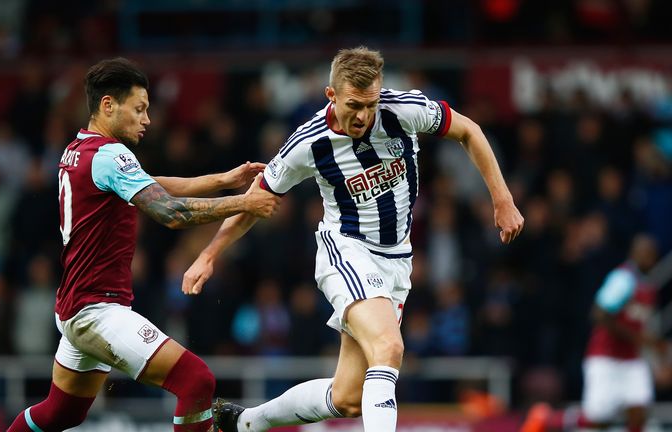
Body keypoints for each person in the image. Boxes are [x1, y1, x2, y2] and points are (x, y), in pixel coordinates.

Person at [182, 46, 524, 432]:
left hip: (397, 261)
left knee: (347, 399)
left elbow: (469, 131)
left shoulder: (403, 110)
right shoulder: (307, 143)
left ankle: (242, 422)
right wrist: (209, 254)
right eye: (354, 105)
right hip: (346, 250)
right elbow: (254, 202)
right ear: (331, 95)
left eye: (371, 104)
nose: (363, 115)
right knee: (390, 347)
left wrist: (502, 199)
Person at [7, 57, 280, 432]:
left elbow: (154, 184)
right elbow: (171, 213)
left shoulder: (79, 149)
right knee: (197, 381)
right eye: (139, 109)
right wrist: (244, 202)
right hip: (97, 311)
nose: (147, 119)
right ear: (108, 105)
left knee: (61, 413)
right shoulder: (110, 155)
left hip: (75, 305)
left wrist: (223, 179)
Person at [521, 233, 664, 432]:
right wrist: (638, 339)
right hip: (605, 356)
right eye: (644, 254)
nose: (648, 259)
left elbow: (640, 325)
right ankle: (548, 419)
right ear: (634, 254)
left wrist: (653, 353)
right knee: (597, 419)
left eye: (651, 255)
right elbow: (599, 315)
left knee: (639, 412)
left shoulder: (648, 286)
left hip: (631, 359)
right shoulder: (623, 279)